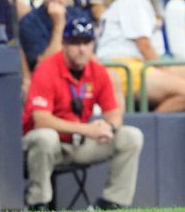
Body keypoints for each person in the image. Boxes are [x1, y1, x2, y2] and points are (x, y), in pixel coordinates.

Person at [22, 14, 144, 211]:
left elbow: (113, 112)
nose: (82, 49)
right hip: (45, 147)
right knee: (46, 137)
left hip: (79, 144)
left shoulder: (97, 71)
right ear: (64, 44)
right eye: (75, 42)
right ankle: (38, 203)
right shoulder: (46, 69)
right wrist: (87, 129)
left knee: (131, 136)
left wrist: (109, 127)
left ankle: (111, 202)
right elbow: (41, 120)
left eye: (87, 42)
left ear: (93, 45)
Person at [18, 0, 90, 71]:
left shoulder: (80, 17)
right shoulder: (29, 22)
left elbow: (88, 56)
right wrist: (59, 24)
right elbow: (44, 67)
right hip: (47, 81)